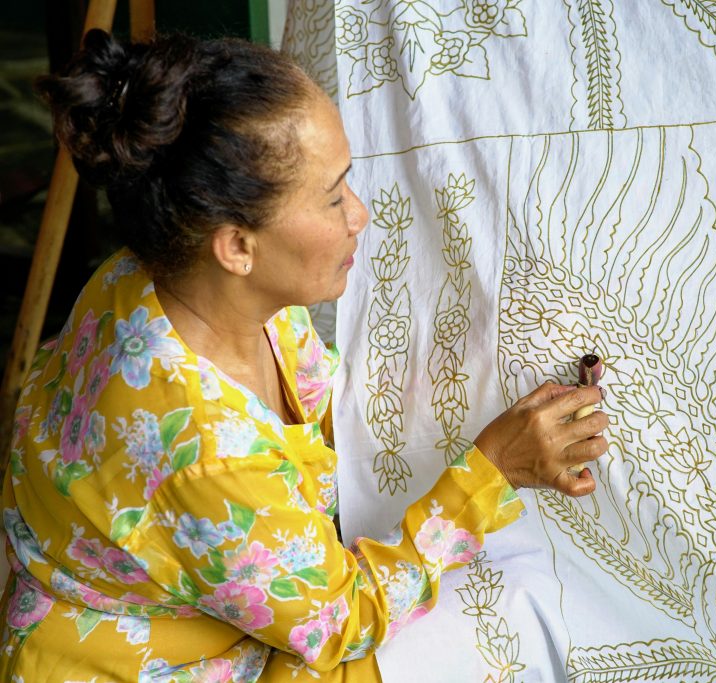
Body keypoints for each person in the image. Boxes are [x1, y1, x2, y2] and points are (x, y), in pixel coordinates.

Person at [0, 30, 609, 681]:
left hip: (184, 600)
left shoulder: (170, 281)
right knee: (514, 615)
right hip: (150, 664)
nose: (361, 214)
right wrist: (490, 471)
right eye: (332, 197)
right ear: (237, 246)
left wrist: (492, 375)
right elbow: (341, 621)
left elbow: (324, 402)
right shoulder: (201, 451)